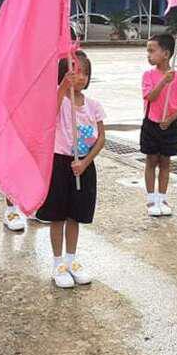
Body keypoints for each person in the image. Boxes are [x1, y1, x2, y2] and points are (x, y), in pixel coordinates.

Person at [36, 50, 105, 288]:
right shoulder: (59, 100)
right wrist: (62, 89)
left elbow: (101, 138)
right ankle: (58, 263)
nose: (80, 77)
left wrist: (85, 162)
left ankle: (71, 259)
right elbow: (48, 117)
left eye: (85, 73)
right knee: (57, 216)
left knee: (75, 215)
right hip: (59, 163)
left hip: (83, 165)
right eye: (75, 72)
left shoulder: (94, 106)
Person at [140, 33, 177, 217]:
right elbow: (150, 97)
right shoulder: (148, 75)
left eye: (152, 51)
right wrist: (163, 81)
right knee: (151, 160)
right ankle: (151, 198)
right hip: (151, 123)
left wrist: (170, 119)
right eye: (148, 51)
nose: (149, 55)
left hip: (170, 125)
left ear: (166, 54)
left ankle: (162, 197)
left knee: (166, 162)